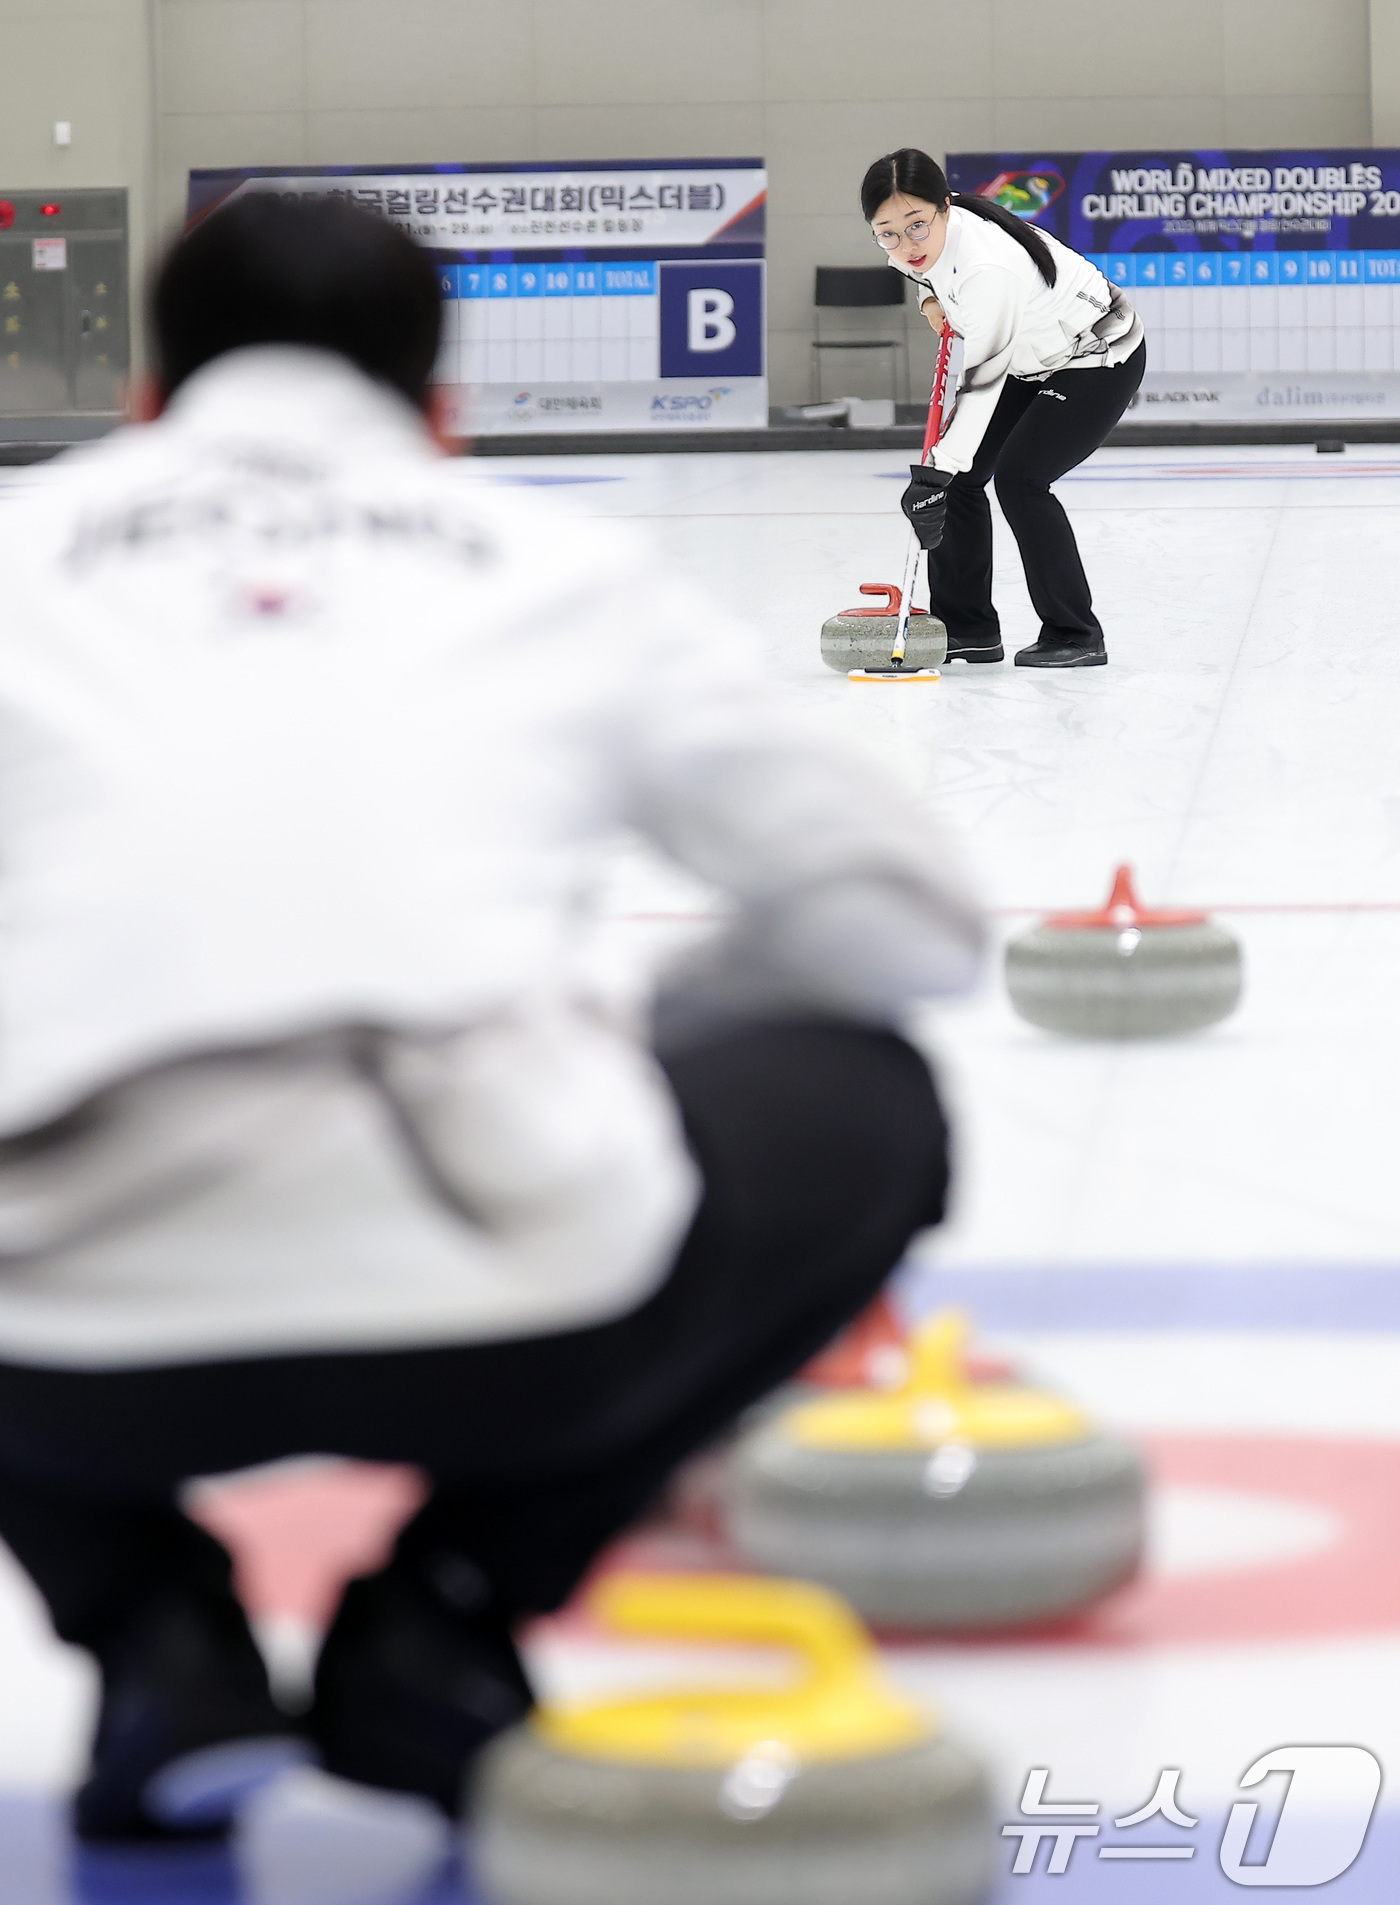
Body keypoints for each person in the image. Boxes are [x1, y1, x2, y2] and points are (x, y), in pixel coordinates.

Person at [0, 195, 984, 1844]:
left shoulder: (20, 549)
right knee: (866, 1098)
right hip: (518, 1322)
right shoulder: (564, 568)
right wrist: (643, 1017)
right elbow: (904, 920)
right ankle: (445, 1619)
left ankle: (151, 1629)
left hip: (58, 1359)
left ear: (144, 403)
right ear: (440, 414)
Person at [862, 148, 1146, 668]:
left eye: (917, 225)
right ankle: (968, 629)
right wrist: (931, 301)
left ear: (945, 207)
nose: (904, 243)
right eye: (887, 232)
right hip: (1032, 360)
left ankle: (1076, 634)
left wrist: (931, 476)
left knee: (1020, 478)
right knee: (963, 478)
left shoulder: (987, 269)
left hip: (1099, 355)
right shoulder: (916, 243)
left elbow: (982, 382)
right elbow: (914, 267)